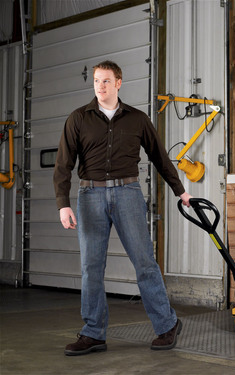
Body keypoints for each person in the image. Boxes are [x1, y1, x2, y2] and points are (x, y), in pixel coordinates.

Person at [54, 60, 192, 356]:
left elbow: (160, 158)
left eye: (106, 81)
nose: (100, 86)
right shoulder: (78, 119)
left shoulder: (138, 119)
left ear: (118, 83)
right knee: (91, 267)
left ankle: (167, 325)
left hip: (128, 194)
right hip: (90, 196)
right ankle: (93, 333)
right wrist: (62, 205)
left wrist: (180, 190)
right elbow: (63, 165)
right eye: (96, 81)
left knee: (144, 263)